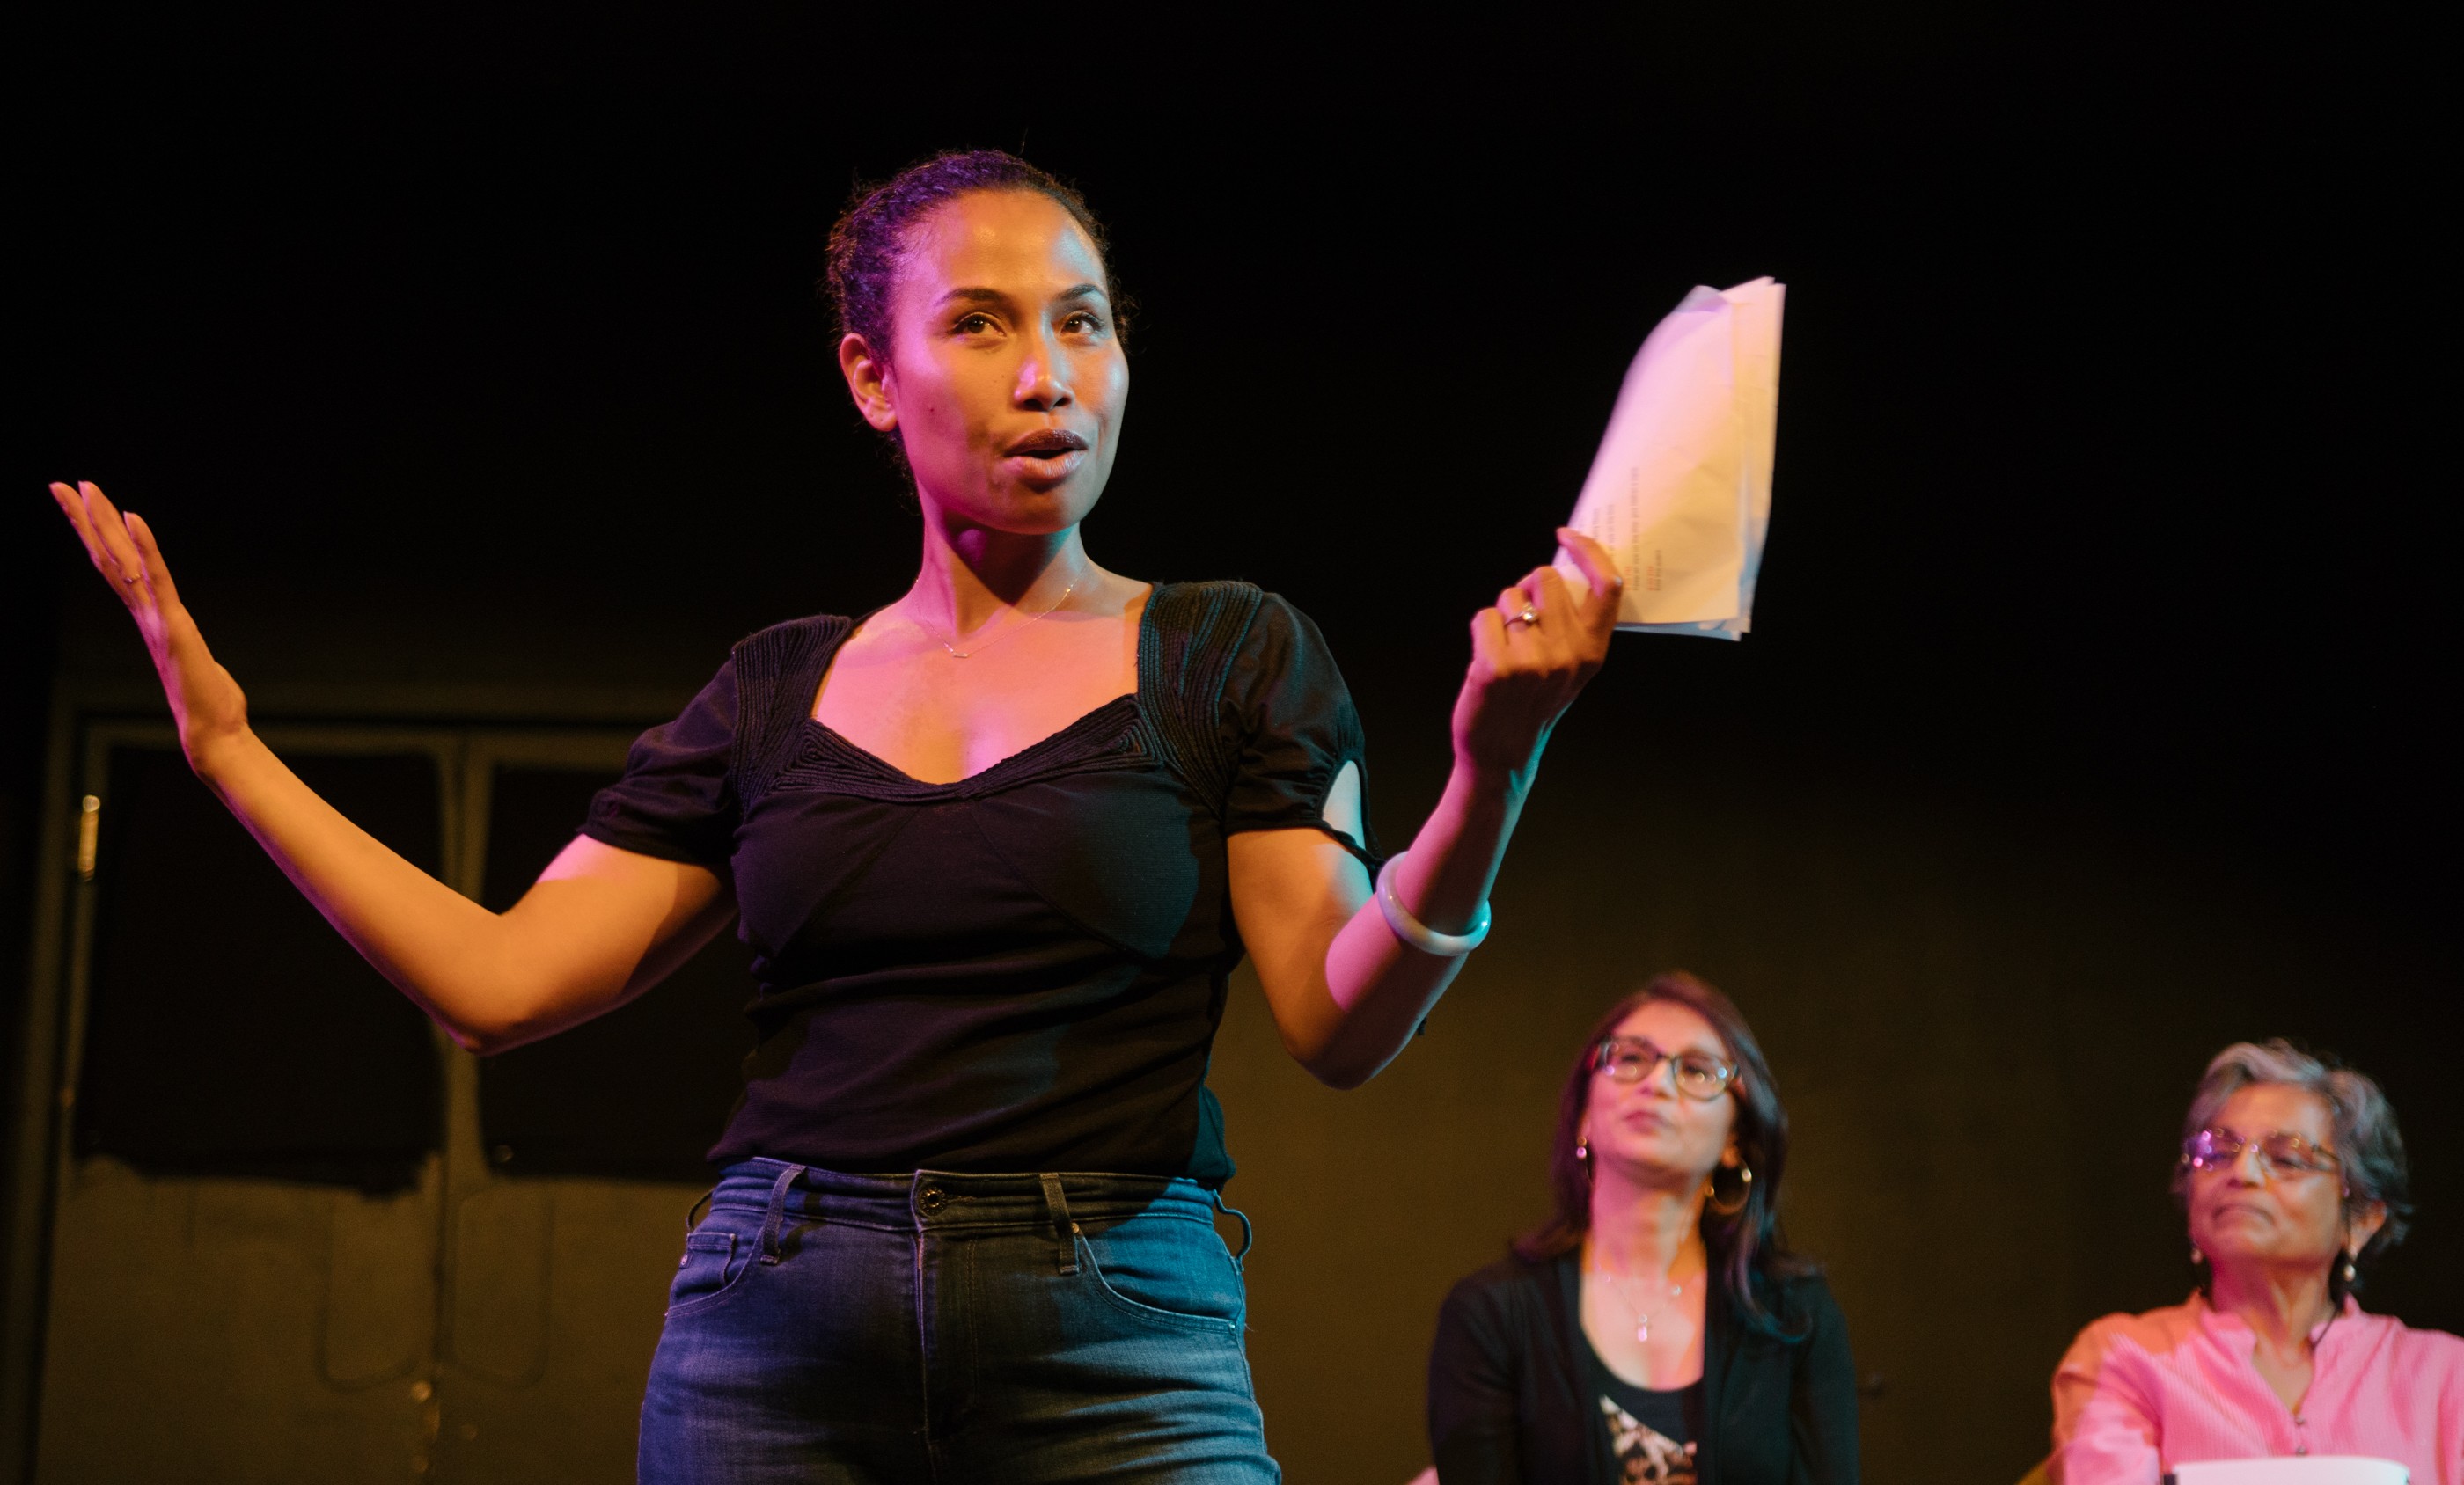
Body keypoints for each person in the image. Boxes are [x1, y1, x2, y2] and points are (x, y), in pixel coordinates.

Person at [48, 149, 1623, 1483]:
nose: (1045, 374)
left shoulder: (1230, 650)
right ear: (873, 374)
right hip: (776, 1324)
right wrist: (232, 752)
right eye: (982, 324)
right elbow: (497, 984)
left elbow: (1336, 1020)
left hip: (1119, 1320)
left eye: (1082, 324)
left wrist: (1495, 764)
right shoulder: (769, 691)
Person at [1427, 971, 1859, 1485]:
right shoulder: (1491, 1316)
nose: (1657, 1083)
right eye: (1630, 1059)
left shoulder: (1794, 1313)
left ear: (1735, 1141)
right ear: (1584, 1114)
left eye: (1697, 1070)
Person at [2046, 1040, 2464, 1484]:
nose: (2241, 1172)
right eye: (2217, 1152)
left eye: (2287, 1158)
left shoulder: (2460, 1380)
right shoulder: (2125, 1357)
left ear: (2363, 1218)